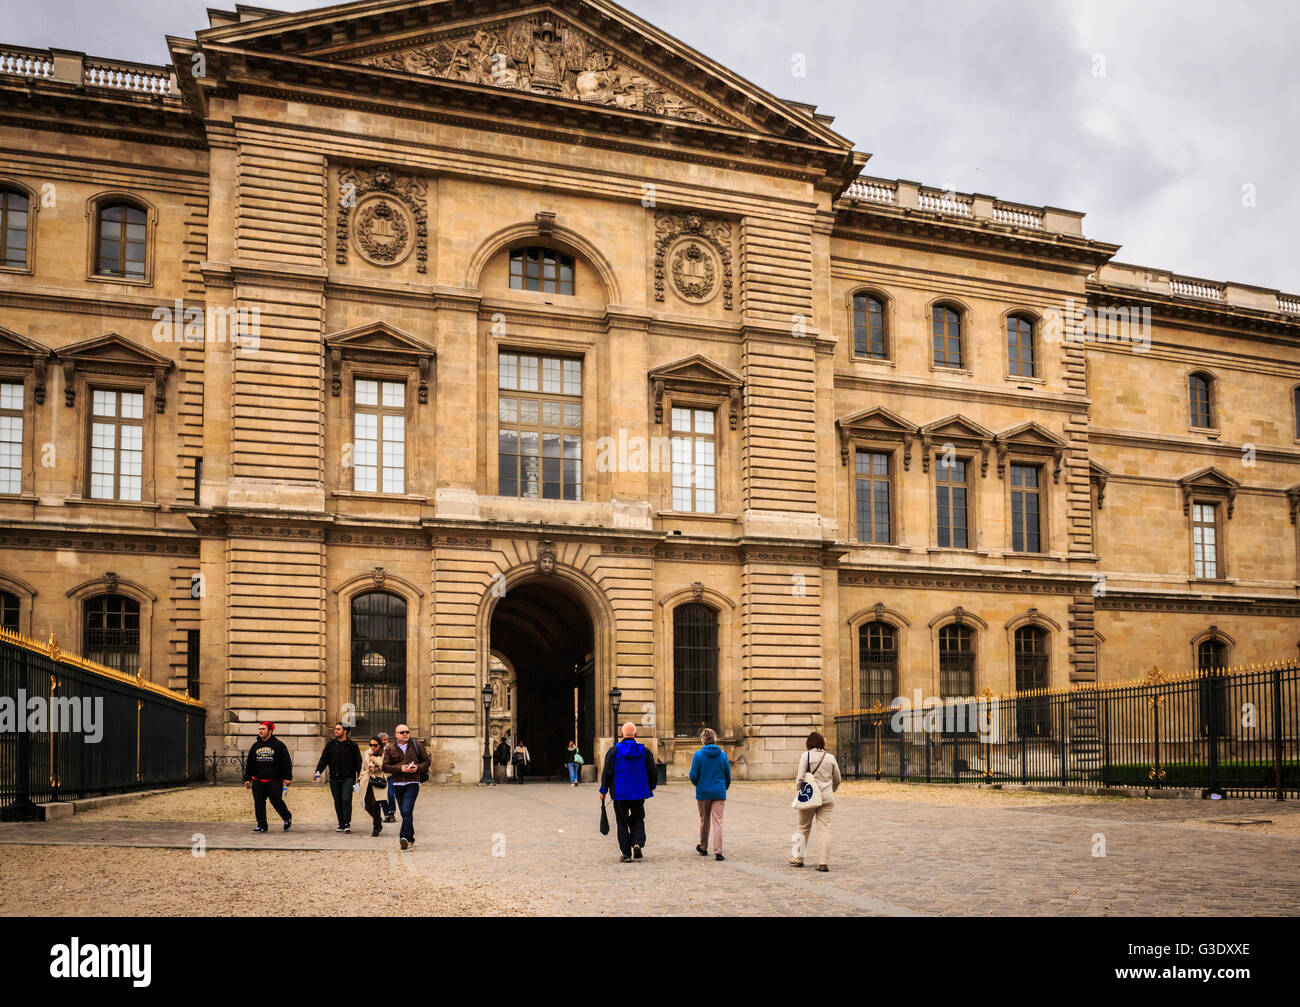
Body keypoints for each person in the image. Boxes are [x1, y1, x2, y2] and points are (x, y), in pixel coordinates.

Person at [599, 722, 656, 862]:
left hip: (620, 793)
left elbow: (607, 772)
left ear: (621, 734)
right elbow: (652, 770)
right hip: (638, 792)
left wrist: (603, 790)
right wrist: (651, 785)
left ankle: (625, 853)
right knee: (637, 817)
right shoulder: (644, 751)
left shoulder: (613, 751)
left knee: (622, 822)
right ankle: (637, 842)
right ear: (635, 735)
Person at [789, 731, 841, 872]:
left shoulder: (806, 756)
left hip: (808, 797)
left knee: (803, 827)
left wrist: (799, 791)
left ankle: (798, 858)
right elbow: (837, 779)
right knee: (824, 829)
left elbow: (800, 778)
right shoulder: (830, 758)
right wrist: (831, 790)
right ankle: (823, 862)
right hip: (827, 798)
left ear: (808, 744)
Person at [382, 724, 430, 850]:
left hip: (412, 783)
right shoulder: (389, 748)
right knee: (405, 812)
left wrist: (418, 768)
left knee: (406, 810)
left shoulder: (416, 745)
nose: (405, 734)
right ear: (396, 734)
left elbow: (427, 761)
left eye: (407, 732)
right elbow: (385, 767)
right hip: (397, 783)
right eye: (402, 732)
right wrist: (400, 768)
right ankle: (410, 838)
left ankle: (403, 837)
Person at [243, 721, 293, 833]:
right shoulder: (255, 746)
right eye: (259, 729)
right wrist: (247, 778)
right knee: (259, 803)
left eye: (263, 729)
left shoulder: (279, 745)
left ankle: (286, 817)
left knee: (276, 801)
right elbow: (250, 763)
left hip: (274, 780)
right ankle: (262, 825)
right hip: (258, 780)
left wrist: (287, 777)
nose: (260, 731)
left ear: (270, 731)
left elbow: (286, 762)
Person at [689, 727, 730, 861]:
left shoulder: (698, 755)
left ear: (703, 740)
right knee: (718, 822)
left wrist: (699, 785)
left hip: (703, 792)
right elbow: (728, 775)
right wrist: (724, 787)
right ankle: (718, 851)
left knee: (704, 820)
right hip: (719, 792)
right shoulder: (722, 755)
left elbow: (693, 775)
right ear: (715, 739)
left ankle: (704, 847)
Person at [315, 722, 363, 833]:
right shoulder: (330, 745)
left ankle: (347, 823)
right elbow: (324, 759)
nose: (335, 731)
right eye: (335, 729)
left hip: (348, 778)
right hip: (334, 778)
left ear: (345, 731)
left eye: (338, 729)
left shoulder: (353, 746)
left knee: (346, 798)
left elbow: (358, 762)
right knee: (337, 800)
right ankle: (341, 823)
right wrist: (318, 771)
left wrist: (360, 776)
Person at [359, 735, 388, 837]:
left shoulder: (384, 753)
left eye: (375, 745)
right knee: (367, 805)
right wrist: (360, 778)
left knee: (375, 804)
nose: (373, 747)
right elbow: (363, 767)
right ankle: (378, 820)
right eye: (371, 745)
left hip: (377, 781)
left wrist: (374, 759)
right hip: (367, 781)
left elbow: (383, 765)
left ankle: (376, 827)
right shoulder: (367, 752)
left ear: (379, 745)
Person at [376, 731, 396, 822]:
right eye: (381, 740)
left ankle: (392, 812)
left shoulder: (392, 748)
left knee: (390, 794)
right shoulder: (376, 749)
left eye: (385, 739)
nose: (383, 741)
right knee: (382, 797)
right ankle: (386, 814)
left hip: (390, 775)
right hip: (380, 776)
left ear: (387, 739)